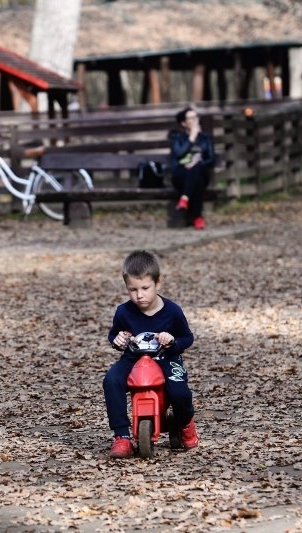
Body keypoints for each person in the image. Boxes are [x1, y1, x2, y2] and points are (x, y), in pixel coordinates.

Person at [102, 250, 199, 458]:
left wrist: (172, 341)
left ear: (158, 284)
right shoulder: (123, 311)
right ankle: (122, 437)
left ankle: (185, 422)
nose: (139, 295)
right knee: (111, 379)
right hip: (133, 359)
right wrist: (117, 340)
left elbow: (187, 338)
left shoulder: (172, 311)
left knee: (179, 392)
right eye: (133, 289)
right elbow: (114, 334)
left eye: (145, 288)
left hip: (167, 358)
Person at [169, 107, 214, 230]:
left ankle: (184, 199)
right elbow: (179, 154)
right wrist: (192, 137)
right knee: (197, 181)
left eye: (196, 117)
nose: (195, 120)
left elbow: (211, 159)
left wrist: (196, 164)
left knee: (197, 166)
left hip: (202, 171)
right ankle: (198, 218)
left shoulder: (206, 138)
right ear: (184, 123)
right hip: (181, 176)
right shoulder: (176, 138)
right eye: (191, 118)